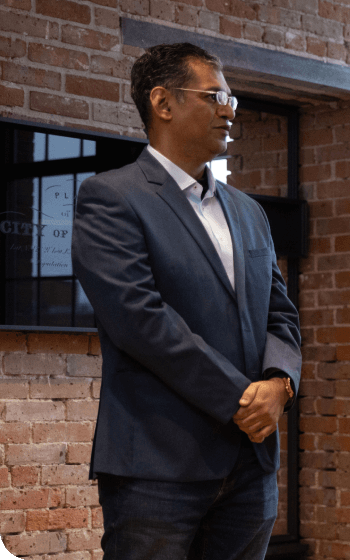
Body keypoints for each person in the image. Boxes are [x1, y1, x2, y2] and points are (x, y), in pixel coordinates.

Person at [72, 42, 302, 559]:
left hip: (251, 465)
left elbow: (280, 314)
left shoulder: (248, 211)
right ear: (163, 103)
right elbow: (140, 321)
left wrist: (281, 383)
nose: (229, 110)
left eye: (233, 99)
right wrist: (240, 400)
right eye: (215, 95)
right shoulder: (111, 197)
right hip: (158, 466)